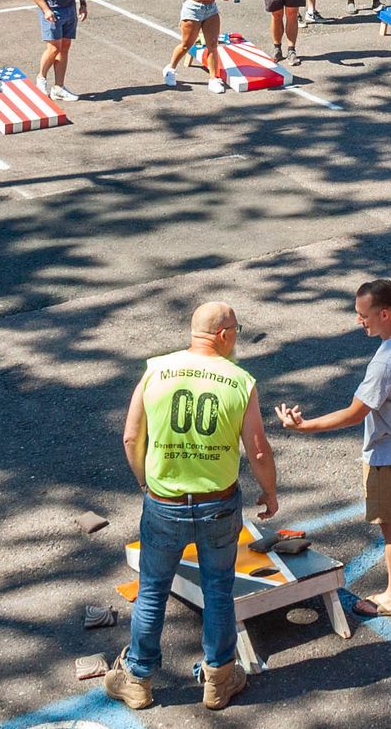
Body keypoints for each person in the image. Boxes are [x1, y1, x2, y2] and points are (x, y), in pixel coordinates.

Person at [104, 302, 279, 712]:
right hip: (217, 503)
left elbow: (131, 438)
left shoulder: (156, 370)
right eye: (236, 330)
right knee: (219, 590)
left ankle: (138, 680)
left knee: (152, 591)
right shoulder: (239, 380)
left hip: (163, 503)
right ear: (223, 334)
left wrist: (147, 482)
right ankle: (219, 680)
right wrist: (269, 492)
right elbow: (257, 449)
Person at [276, 279, 391, 617]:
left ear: (384, 313)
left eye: (363, 315)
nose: (358, 321)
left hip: (389, 457)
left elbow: (354, 414)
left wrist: (304, 426)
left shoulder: (385, 363)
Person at [166, 0, 239, 94]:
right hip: (194, 10)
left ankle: (213, 79)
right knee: (187, 44)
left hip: (211, 9)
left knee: (212, 45)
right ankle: (170, 68)